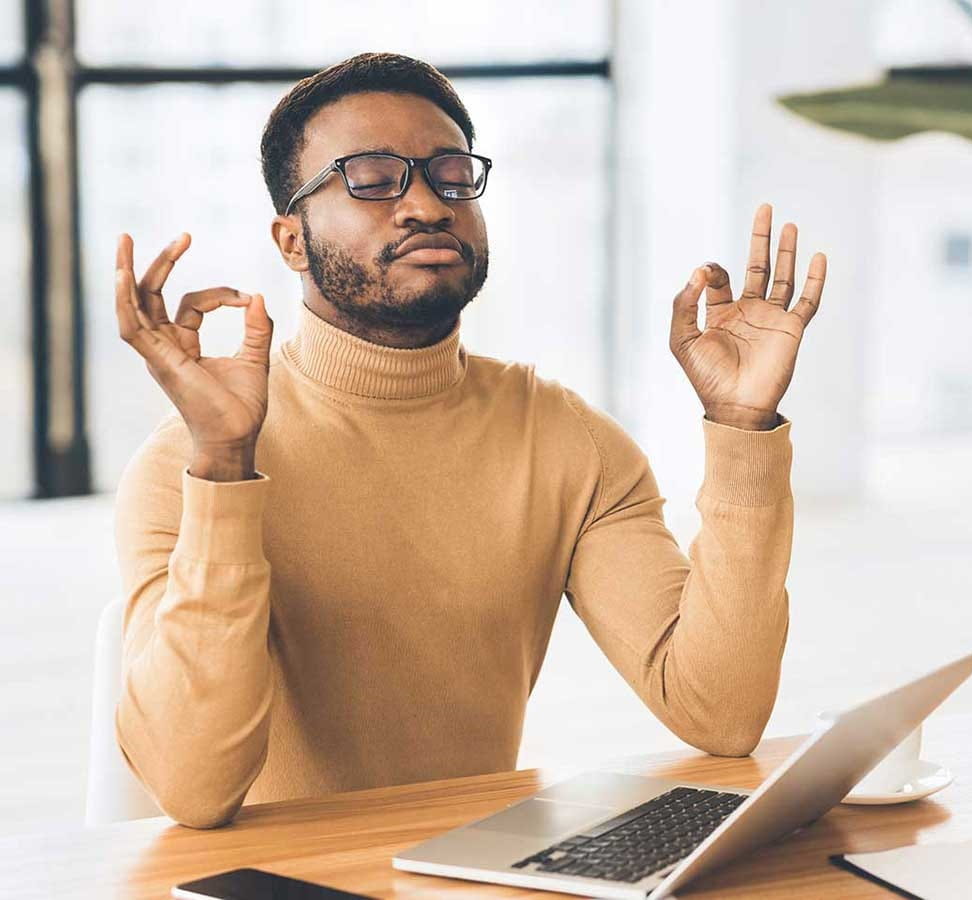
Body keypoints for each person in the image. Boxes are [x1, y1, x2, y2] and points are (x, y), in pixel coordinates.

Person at [112, 51, 827, 829]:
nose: (426, 204)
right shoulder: (186, 465)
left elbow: (719, 711)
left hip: (472, 871)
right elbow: (191, 789)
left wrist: (742, 429)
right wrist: (222, 469)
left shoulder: (565, 439)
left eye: (450, 174)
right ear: (291, 241)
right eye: (373, 178)